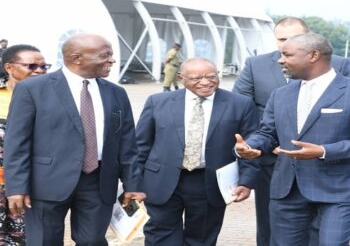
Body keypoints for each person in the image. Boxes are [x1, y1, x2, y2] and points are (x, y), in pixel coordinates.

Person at [3, 33, 145, 246]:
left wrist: (133, 184)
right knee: (44, 241)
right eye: (105, 55)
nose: (112, 60)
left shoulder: (116, 93)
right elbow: (17, 142)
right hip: (46, 182)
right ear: (77, 58)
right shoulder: (32, 89)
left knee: (93, 241)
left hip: (99, 181)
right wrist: (16, 187)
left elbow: (127, 142)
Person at [233, 16, 350, 246]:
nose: (279, 60)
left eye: (287, 55)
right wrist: (250, 146)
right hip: (286, 192)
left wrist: (324, 151)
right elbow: (268, 133)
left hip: (337, 194)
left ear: (313, 55)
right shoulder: (281, 94)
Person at [136, 57, 260, 245]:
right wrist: (133, 182)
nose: (205, 82)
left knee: (202, 238)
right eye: (196, 78)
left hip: (209, 182)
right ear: (181, 78)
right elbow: (141, 146)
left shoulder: (240, 104)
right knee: (160, 236)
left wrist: (246, 181)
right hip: (161, 179)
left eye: (211, 76)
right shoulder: (157, 102)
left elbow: (251, 145)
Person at [0, 44, 50, 245]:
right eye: (31, 66)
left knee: (26, 238)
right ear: (9, 68)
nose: (38, 71)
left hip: (28, 185)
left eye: (44, 66)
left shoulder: (52, 100)